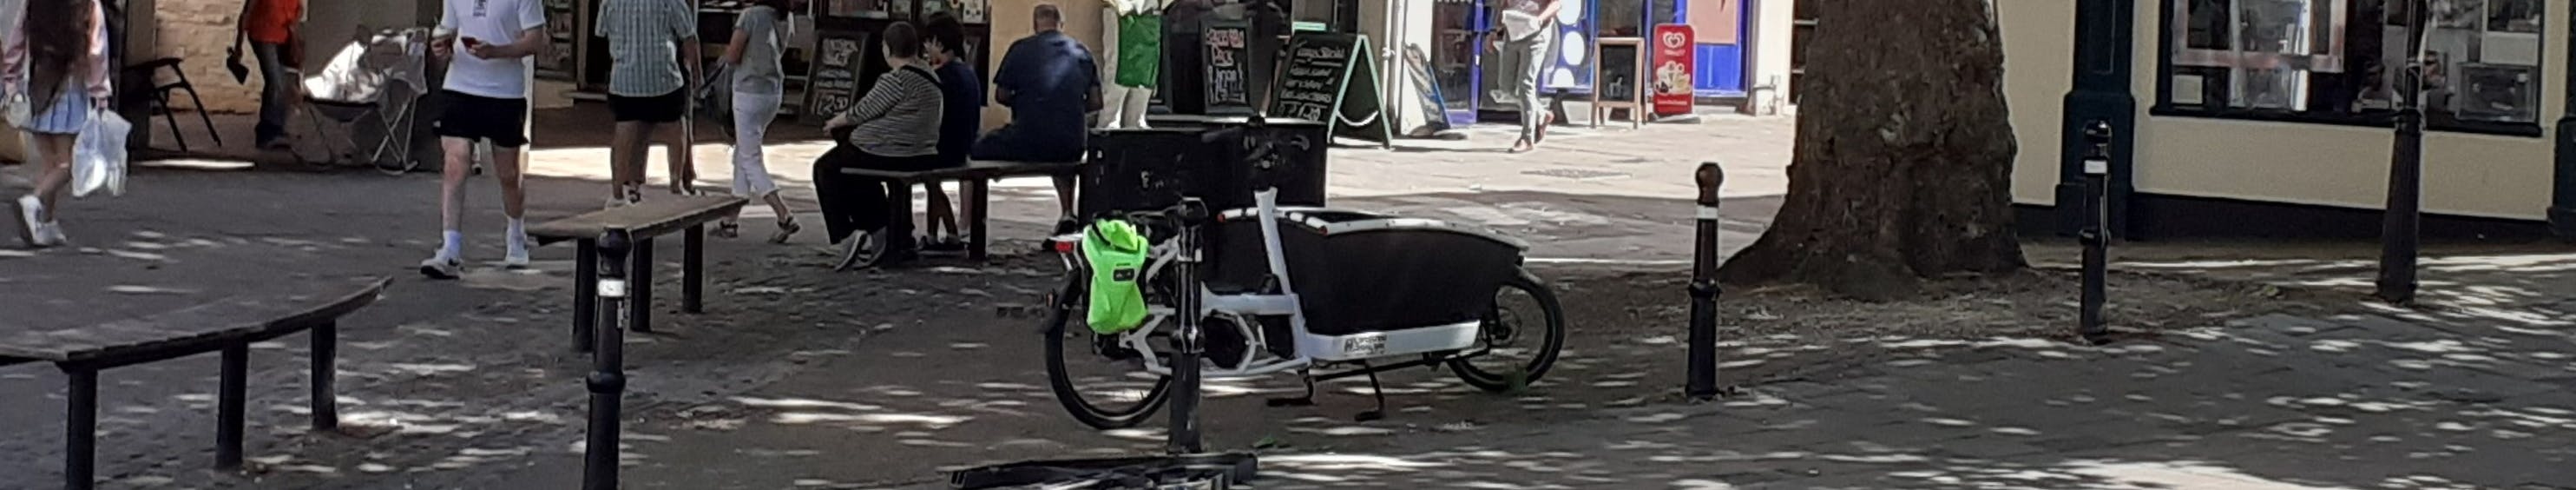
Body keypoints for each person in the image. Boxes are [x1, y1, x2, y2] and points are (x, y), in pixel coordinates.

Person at [418, 0, 549, 278]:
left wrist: (496, 52)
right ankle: (450, 248)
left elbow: (535, 41)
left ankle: (516, 234)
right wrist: (440, 47)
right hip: (460, 86)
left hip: (504, 92)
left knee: (508, 172)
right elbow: (447, 30)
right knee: (456, 161)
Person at [812, 22, 943, 269]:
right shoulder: (929, 74)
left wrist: (833, 122)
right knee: (858, 175)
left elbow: (862, 111)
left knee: (826, 168)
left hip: (890, 151)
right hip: (921, 152)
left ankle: (846, 233)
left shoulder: (896, 79)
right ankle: (885, 230)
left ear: (886, 48)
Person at [973, 3, 1100, 234]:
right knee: (1062, 145)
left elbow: (1000, 95)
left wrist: (1026, 103)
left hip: (1026, 139)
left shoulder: (1020, 49)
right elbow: (1096, 102)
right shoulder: (1082, 52)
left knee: (973, 150)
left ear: (1034, 24)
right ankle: (1067, 212)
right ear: (1061, 25)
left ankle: (967, 224)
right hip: (1071, 143)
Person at [3, 0, 110, 248]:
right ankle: (33, 200)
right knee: (68, 164)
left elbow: (16, 40)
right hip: (71, 87)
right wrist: (101, 92)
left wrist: (11, 81)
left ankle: (47, 223)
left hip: (39, 87)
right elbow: (97, 50)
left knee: (50, 164)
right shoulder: (87, 4)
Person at [596, 0, 701, 206]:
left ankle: (619, 191)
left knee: (625, 133)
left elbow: (602, 32)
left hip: (625, 78)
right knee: (675, 127)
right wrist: (697, 73)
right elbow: (688, 36)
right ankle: (675, 184)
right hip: (663, 77)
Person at [716, 0, 800, 243]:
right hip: (772, 91)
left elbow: (733, 55)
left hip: (747, 91)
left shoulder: (750, 15)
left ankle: (784, 215)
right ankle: (730, 220)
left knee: (750, 158)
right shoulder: (785, 17)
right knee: (743, 154)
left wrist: (719, 61)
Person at [920, 12, 980, 251]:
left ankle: (947, 232)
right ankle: (937, 234)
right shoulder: (968, 72)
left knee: (928, 176)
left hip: (944, 148)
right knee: (930, 180)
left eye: (928, 41)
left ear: (938, 43)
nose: (925, 47)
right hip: (963, 145)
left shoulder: (941, 77)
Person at [1495, 0, 1562, 153]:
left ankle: (1527, 138)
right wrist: (1496, 30)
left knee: (1526, 84)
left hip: (1536, 33)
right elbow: (1504, 4)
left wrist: (1540, 19)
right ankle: (1542, 114)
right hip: (1512, 32)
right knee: (1506, 86)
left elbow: (1556, 4)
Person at [240, 0, 304, 149]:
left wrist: (294, 28)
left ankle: (276, 128)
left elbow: (298, 9)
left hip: (283, 37)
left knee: (280, 82)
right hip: (263, 36)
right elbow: (246, 14)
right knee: (275, 81)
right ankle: (268, 131)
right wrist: (238, 47)